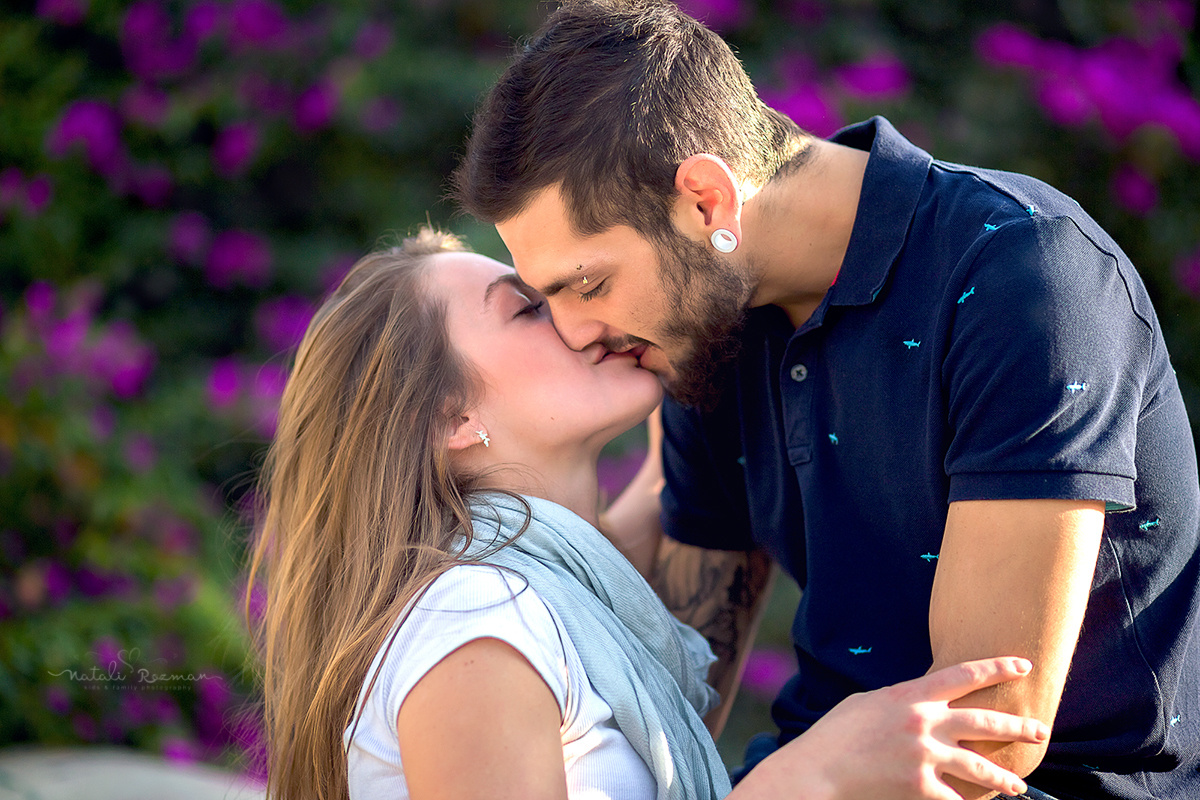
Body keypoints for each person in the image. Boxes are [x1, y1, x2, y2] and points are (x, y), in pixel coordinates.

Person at [450, 2, 1200, 799]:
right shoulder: (708, 329)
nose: (573, 333)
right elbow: (671, 701)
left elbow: (983, 737)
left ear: (707, 201)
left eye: (590, 284)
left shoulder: (1024, 274)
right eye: (547, 297)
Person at [246, 228, 1051, 800]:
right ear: (452, 421)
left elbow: (664, 493)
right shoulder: (473, 619)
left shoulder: (554, 590)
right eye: (528, 307)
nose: (571, 314)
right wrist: (811, 779)